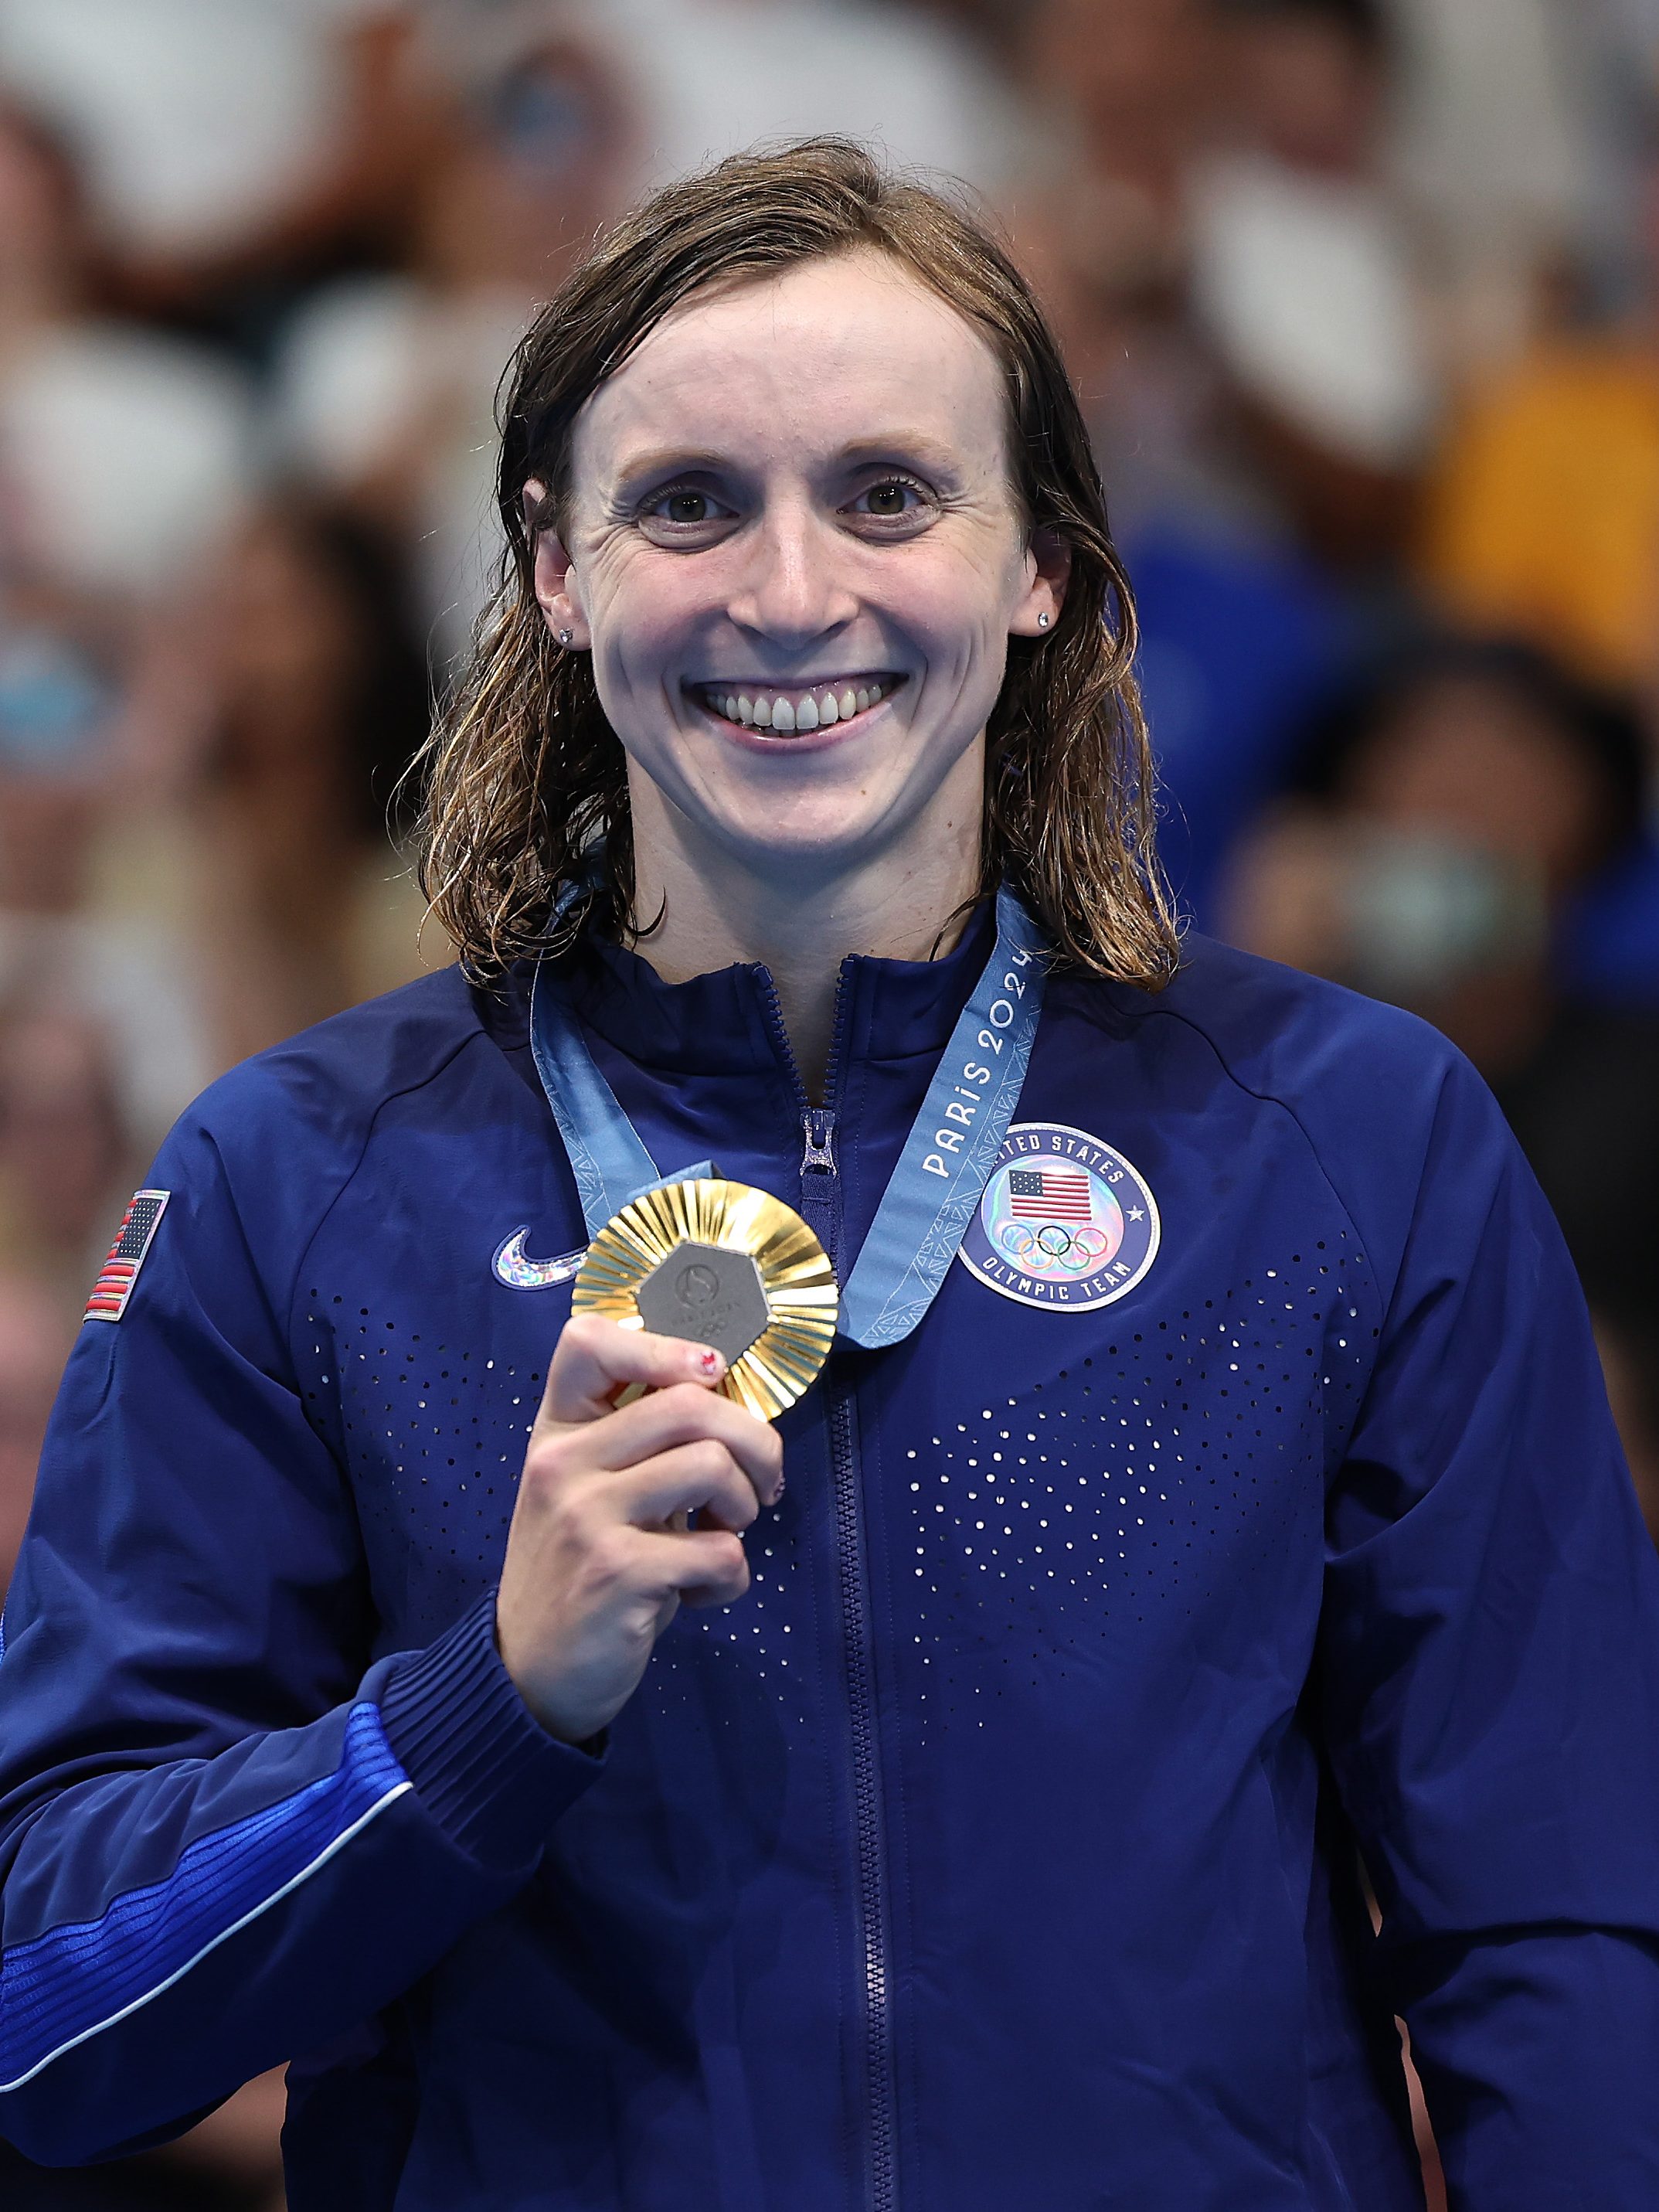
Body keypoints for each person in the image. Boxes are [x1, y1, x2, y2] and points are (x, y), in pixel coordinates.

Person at [0, 140, 1656, 2210]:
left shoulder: (1341, 1136)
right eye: (688, 502)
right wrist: (482, 1707)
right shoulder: (303, 1179)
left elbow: (1559, 1929)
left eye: (887, 493)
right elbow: (42, 2015)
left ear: (1036, 558)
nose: (791, 593)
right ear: (555, 570)